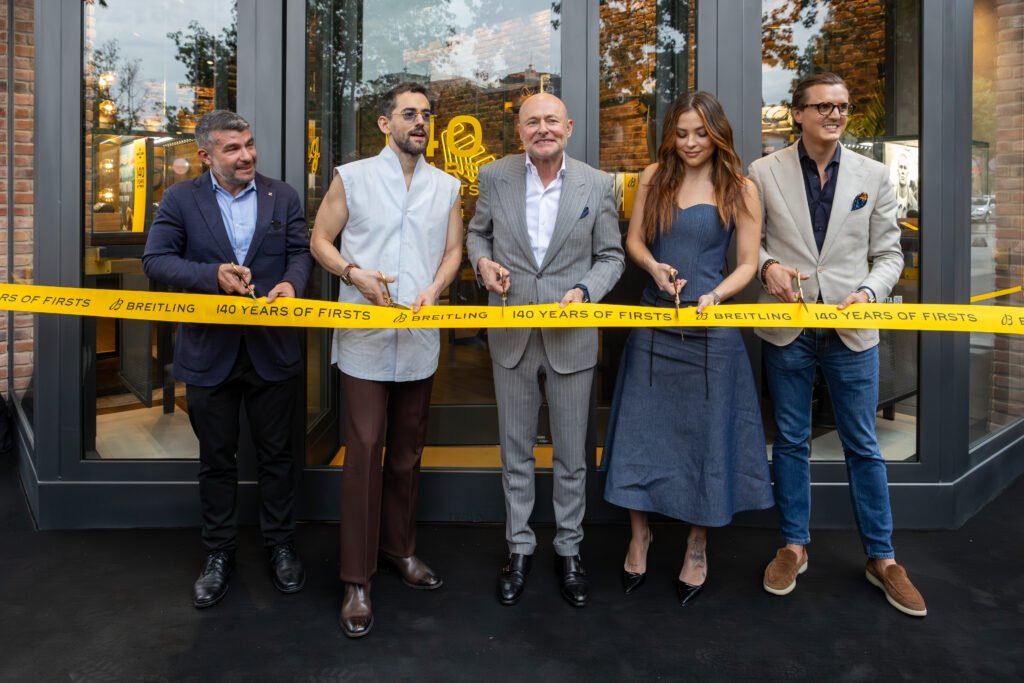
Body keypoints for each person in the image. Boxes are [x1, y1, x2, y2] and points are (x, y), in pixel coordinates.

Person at [749, 72, 926, 617]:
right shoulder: (762, 171)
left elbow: (890, 253)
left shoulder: (873, 174)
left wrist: (871, 290)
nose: (835, 115)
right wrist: (768, 267)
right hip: (788, 327)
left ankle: (883, 558)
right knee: (794, 442)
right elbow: (746, 244)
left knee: (863, 444)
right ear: (797, 112)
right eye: (823, 106)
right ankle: (794, 546)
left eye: (843, 107)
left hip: (853, 329)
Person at [602, 91, 772, 606]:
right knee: (639, 430)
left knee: (706, 437)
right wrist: (652, 267)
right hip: (654, 322)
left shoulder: (740, 187)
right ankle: (640, 535)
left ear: (718, 133)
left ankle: (697, 545)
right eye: (682, 133)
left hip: (711, 331)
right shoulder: (653, 177)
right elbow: (633, 242)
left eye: (701, 133)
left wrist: (717, 293)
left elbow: (746, 262)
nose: (691, 143)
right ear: (670, 135)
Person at [309, 82, 463, 638]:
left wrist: (436, 288)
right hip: (364, 339)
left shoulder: (447, 186)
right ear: (384, 124)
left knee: (407, 454)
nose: (420, 122)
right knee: (364, 451)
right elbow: (319, 241)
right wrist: (354, 274)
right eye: (409, 114)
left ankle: (402, 551)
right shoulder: (352, 177)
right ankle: (356, 578)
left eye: (426, 114)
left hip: (419, 339)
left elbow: (453, 251)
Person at [143, 110, 313, 609]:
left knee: (278, 458)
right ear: (206, 156)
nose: (247, 156)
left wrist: (292, 283)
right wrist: (210, 275)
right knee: (216, 460)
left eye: (249, 145)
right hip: (208, 353)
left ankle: (281, 546)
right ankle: (218, 554)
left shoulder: (282, 195)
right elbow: (155, 261)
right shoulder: (179, 199)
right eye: (233, 149)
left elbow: (300, 252)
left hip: (272, 350)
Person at [466, 93, 625, 608]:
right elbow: (477, 235)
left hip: (571, 337)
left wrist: (585, 291)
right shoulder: (494, 177)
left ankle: (569, 549)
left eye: (551, 120)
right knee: (515, 451)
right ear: (519, 131)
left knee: (572, 456)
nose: (542, 129)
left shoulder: (597, 184)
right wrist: (482, 266)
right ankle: (518, 548)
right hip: (510, 334)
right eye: (532, 122)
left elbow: (611, 256)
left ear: (569, 126)